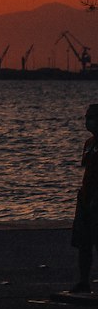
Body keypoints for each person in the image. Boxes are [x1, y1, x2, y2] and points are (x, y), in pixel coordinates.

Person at [70, 103, 98, 292]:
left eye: (92, 117)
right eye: (87, 117)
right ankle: (83, 281)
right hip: (86, 198)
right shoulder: (89, 143)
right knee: (83, 242)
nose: (88, 121)